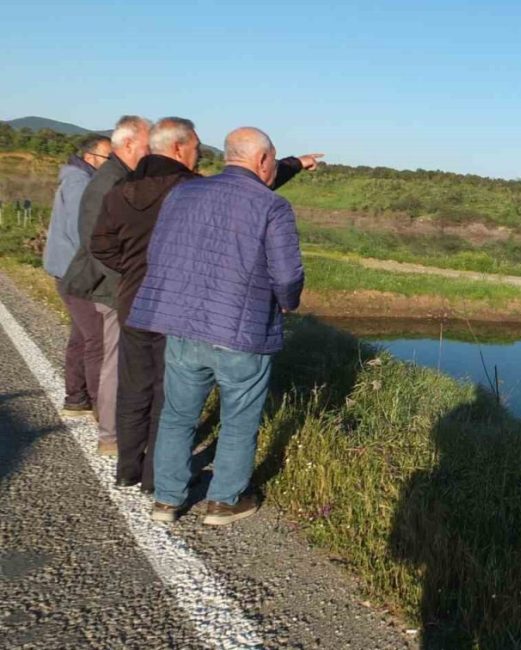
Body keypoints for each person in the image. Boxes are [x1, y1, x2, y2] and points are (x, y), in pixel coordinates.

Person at [90, 117, 321, 493]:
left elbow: (141, 249)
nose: (198, 153)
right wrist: (286, 302)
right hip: (231, 326)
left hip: (160, 311)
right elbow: (286, 274)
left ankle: (154, 487)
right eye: (196, 146)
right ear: (263, 159)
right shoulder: (261, 203)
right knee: (236, 418)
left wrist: (140, 275)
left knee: (164, 406)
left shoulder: (148, 190)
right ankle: (223, 500)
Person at [61, 115, 151, 456]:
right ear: (127, 144)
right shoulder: (108, 183)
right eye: (146, 145)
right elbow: (96, 244)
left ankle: (110, 425)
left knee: (104, 353)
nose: (150, 151)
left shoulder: (120, 177)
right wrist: (125, 288)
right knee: (110, 358)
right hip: (107, 288)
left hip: (109, 285)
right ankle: (110, 434)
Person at [42, 134, 112, 418]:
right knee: (98, 339)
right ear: (91, 157)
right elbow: (84, 233)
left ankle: (76, 397)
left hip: (69, 270)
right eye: (109, 158)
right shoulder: (80, 184)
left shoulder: (78, 180)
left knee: (81, 337)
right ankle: (100, 407)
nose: (112, 164)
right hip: (76, 273)